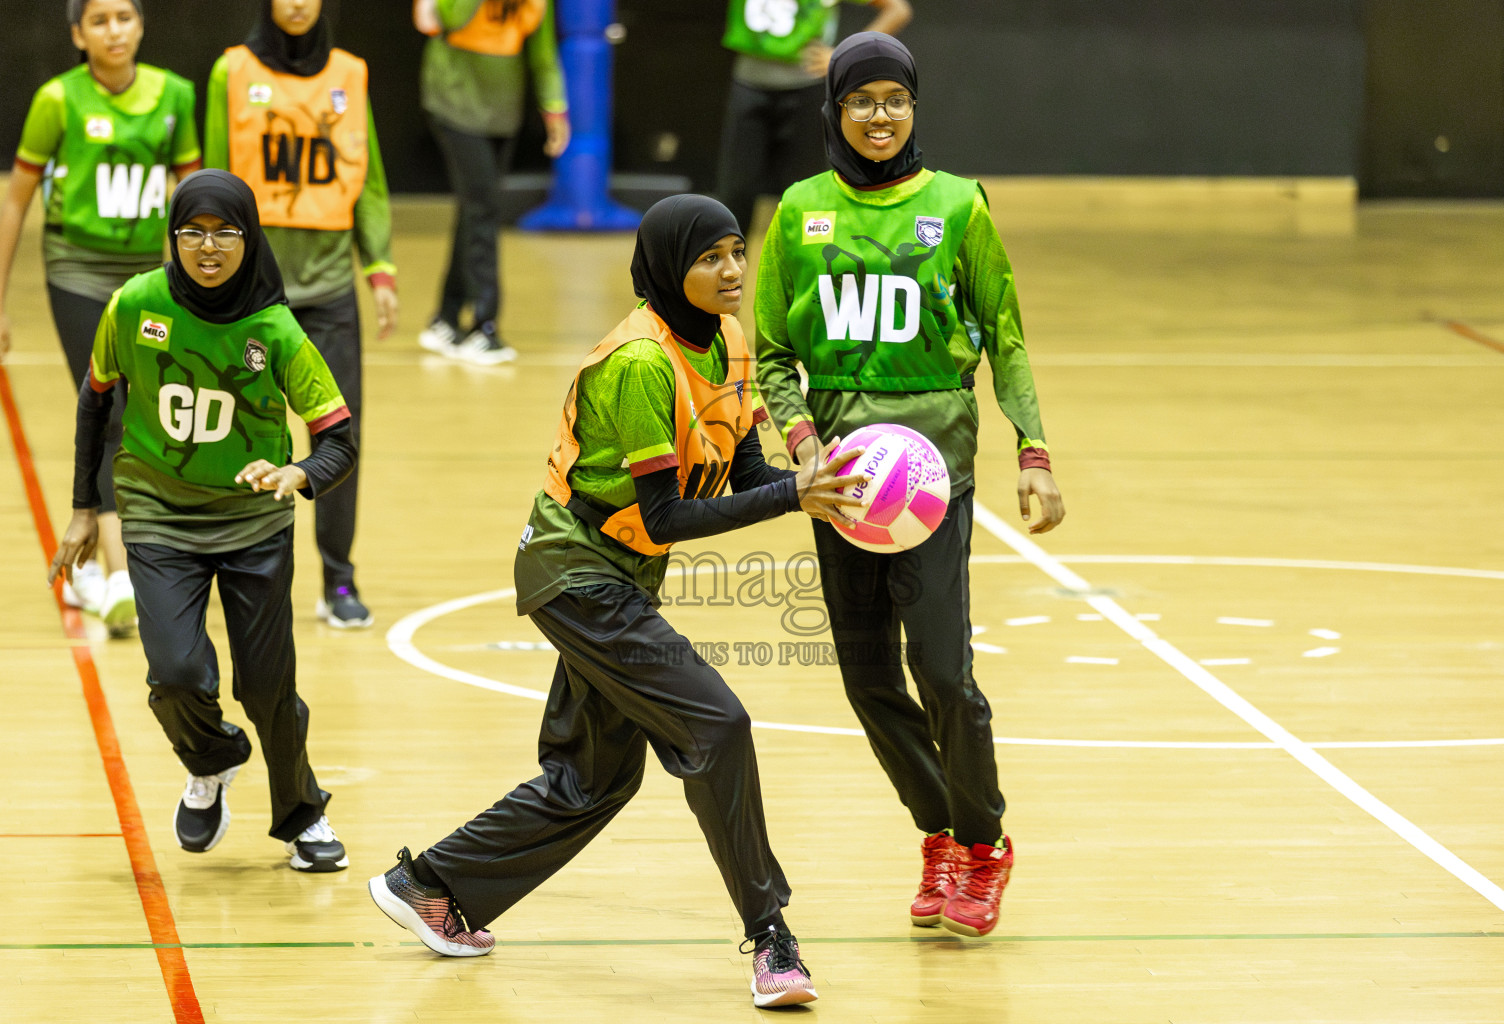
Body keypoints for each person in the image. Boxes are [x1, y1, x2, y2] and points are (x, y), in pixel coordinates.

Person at [369, 195, 866, 1008]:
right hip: (576, 573)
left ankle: (429, 884)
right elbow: (667, 514)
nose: (733, 270)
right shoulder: (641, 362)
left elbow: (744, 478)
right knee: (718, 724)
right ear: (671, 268)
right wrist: (791, 500)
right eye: (710, 258)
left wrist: (820, 487)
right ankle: (772, 937)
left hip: (618, 576)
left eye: (737, 251)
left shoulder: (730, 342)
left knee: (592, 780)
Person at [754, 33, 1067, 938]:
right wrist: (805, 445)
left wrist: (1034, 452)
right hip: (842, 485)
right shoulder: (803, 210)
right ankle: (939, 831)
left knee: (943, 672)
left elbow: (1004, 335)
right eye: (863, 100)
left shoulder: (959, 207)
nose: (881, 116)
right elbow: (773, 353)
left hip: (934, 477)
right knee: (866, 680)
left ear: (914, 108)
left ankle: (985, 842)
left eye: (896, 99)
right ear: (835, 111)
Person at [47, 170, 358, 873]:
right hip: (159, 516)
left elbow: (339, 433)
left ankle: (302, 816)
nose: (208, 247)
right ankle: (212, 760)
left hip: (254, 524)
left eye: (226, 233)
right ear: (173, 236)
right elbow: (95, 403)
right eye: (194, 232)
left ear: (250, 238)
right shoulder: (135, 305)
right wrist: (82, 510)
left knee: (266, 685)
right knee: (178, 671)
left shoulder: (275, 330)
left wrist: (300, 473)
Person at [0, 0, 201, 636]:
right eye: (99, 20)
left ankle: (134, 562)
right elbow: (16, 199)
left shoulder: (174, 95)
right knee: (109, 413)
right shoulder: (58, 100)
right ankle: (120, 578)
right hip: (77, 275)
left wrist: (194, 291)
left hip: (149, 280)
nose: (113, 30)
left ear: (142, 25)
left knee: (158, 421)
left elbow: (192, 200)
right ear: (77, 35)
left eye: (124, 17)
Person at [205, 0, 396, 628]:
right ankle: (223, 567)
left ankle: (339, 581)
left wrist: (381, 268)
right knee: (234, 434)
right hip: (251, 298)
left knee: (339, 436)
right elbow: (205, 185)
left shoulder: (351, 73)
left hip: (331, 290)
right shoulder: (230, 71)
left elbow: (366, 180)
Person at [412, 0, 570, 364]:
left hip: (502, 112)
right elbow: (449, 16)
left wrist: (555, 109)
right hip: (453, 103)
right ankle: (484, 327)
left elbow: (543, 55)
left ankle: (446, 319)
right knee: (483, 207)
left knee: (474, 208)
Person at [715, 0, 911, 236]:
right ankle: (726, 268)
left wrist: (847, 55)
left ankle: (805, 269)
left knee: (805, 193)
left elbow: (898, 9)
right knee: (735, 192)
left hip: (807, 91)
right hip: (747, 86)